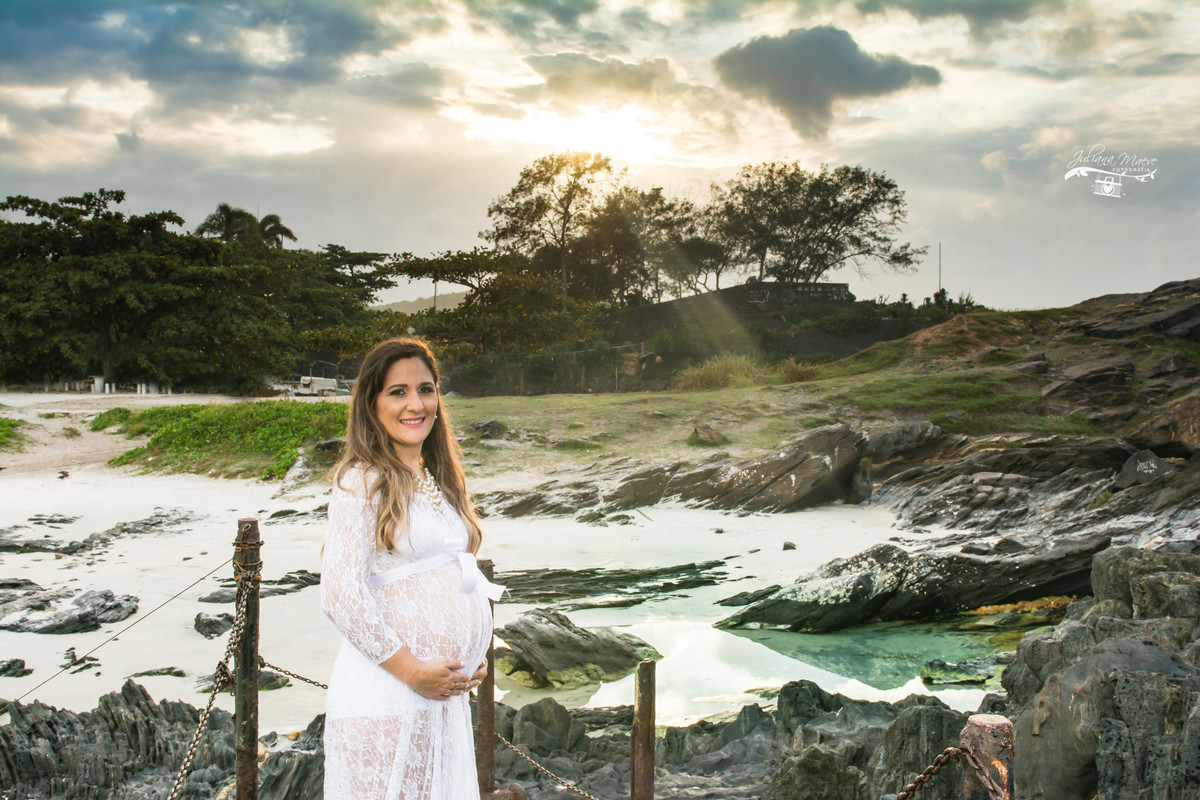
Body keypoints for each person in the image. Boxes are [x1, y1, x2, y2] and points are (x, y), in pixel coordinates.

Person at [321, 337, 503, 800]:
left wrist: (471, 655)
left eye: (426, 389)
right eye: (397, 392)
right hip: (389, 695)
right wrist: (412, 672)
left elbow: (446, 576)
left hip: (439, 702)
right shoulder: (362, 480)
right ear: (372, 403)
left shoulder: (435, 480)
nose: (415, 404)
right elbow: (340, 594)